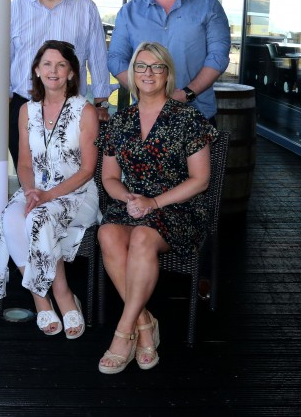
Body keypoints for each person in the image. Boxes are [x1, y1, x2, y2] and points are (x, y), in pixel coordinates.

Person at [97, 42, 217, 374]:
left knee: (142, 239)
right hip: (133, 204)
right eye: (141, 67)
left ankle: (124, 332)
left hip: (178, 207)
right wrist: (130, 199)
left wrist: (154, 203)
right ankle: (146, 323)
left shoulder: (188, 117)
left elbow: (201, 179)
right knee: (107, 232)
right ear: (131, 75)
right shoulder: (121, 120)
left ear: (167, 74)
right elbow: (108, 177)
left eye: (156, 67)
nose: (148, 74)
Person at [0, 40, 100, 339]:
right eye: (47, 64)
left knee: (38, 219)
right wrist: (30, 192)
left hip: (76, 192)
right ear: (37, 71)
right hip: (36, 188)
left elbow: (87, 170)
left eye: (61, 65)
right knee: (11, 217)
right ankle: (41, 300)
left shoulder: (85, 111)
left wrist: (47, 197)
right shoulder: (27, 110)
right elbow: (25, 164)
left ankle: (63, 294)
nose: (53, 70)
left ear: (71, 73)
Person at [107, 0, 231, 124]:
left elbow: (218, 57)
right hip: (144, 119)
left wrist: (186, 94)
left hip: (197, 116)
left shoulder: (209, 7)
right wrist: (145, 91)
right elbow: (115, 59)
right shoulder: (129, 12)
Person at [9, 0, 112, 169]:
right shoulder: (14, 9)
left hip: (72, 107)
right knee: (26, 170)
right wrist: (6, 101)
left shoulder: (86, 8)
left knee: (70, 172)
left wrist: (102, 101)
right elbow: (5, 58)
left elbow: (97, 56)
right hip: (22, 105)